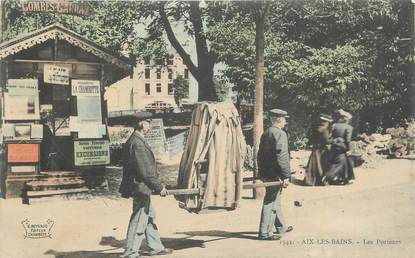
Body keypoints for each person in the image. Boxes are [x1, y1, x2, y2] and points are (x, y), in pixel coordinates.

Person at [119, 117, 173, 258]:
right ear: (142, 124)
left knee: (148, 216)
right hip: (140, 187)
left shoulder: (136, 139)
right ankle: (130, 251)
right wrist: (159, 187)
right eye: (148, 122)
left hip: (139, 186)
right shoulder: (137, 143)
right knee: (139, 219)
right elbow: (145, 171)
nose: (150, 126)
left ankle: (156, 247)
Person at [257, 109, 293, 240]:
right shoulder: (280, 133)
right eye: (284, 119)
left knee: (275, 199)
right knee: (270, 201)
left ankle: (281, 227)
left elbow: (260, 155)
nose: (285, 121)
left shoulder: (266, 133)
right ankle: (264, 232)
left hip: (267, 172)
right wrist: (286, 176)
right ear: (279, 119)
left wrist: (261, 172)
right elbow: (282, 156)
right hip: (276, 174)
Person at [323, 109, 355, 185]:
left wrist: (334, 142)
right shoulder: (349, 127)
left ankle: (344, 179)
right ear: (346, 119)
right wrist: (350, 149)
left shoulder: (334, 125)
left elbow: (330, 136)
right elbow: (348, 140)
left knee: (343, 162)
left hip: (334, 147)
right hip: (342, 148)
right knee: (341, 163)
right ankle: (327, 176)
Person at [304, 114, 332, 186]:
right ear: (327, 122)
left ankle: (310, 180)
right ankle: (320, 181)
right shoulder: (325, 129)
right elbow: (326, 140)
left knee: (313, 165)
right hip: (321, 150)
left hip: (315, 148)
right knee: (320, 165)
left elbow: (310, 137)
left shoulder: (316, 127)